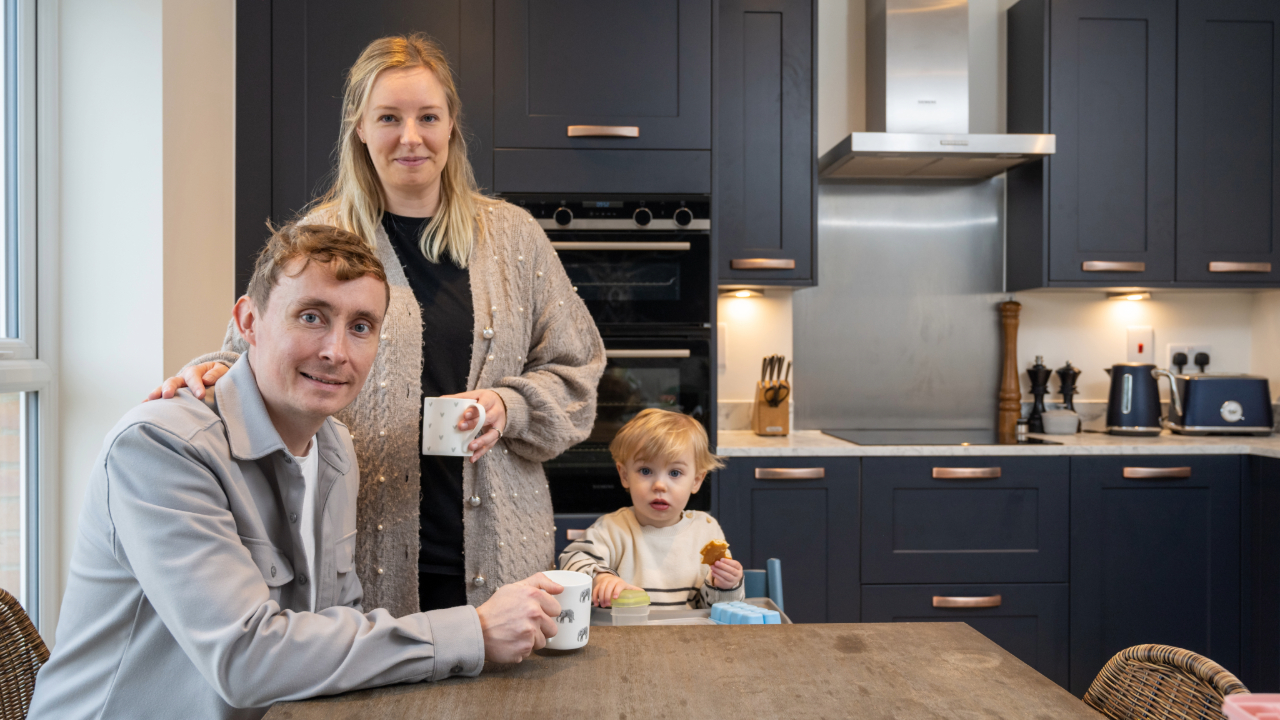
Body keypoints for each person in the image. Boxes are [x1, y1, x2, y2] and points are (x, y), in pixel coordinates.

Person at [150, 34, 606, 617]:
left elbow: (578, 376)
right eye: (389, 117)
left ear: (451, 127)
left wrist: (507, 405)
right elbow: (249, 361)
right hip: (358, 557)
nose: (410, 137)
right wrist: (199, 380)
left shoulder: (514, 237)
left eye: (428, 117)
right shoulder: (319, 238)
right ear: (359, 127)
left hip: (505, 555)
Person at [29, 224, 564, 720]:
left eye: (361, 327)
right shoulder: (160, 448)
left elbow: (334, 628)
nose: (336, 351)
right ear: (248, 323)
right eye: (311, 316)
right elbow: (247, 660)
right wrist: (472, 631)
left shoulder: (334, 450)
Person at [558, 409, 745, 609]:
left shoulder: (706, 531)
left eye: (675, 472)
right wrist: (601, 578)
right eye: (645, 471)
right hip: (628, 636)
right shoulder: (613, 529)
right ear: (625, 475)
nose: (659, 485)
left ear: (696, 480)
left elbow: (717, 612)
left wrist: (725, 586)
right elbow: (571, 561)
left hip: (688, 637)